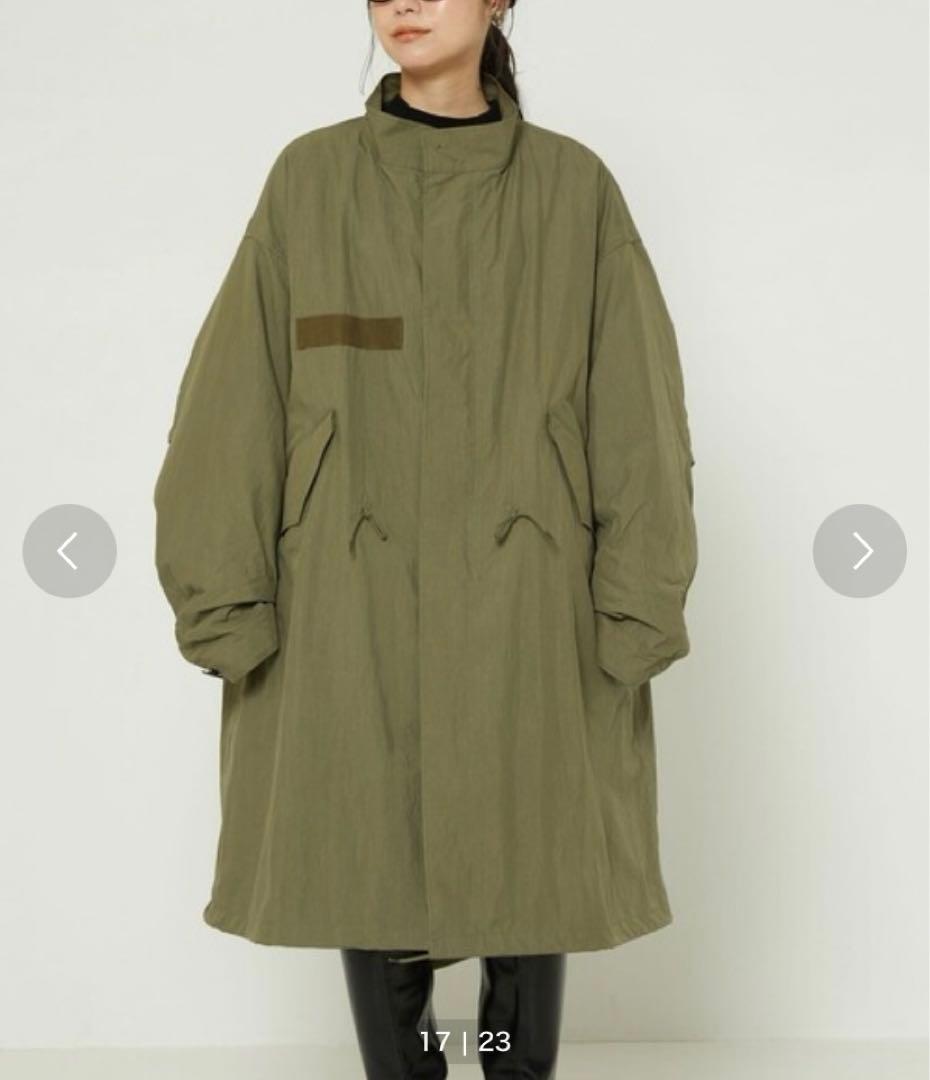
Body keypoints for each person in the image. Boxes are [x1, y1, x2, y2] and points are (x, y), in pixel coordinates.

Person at [153, 1, 698, 1077]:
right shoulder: (312, 183)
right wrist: (223, 601)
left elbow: (640, 416)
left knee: (534, 871)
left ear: (498, 1)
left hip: (533, 602)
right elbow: (232, 405)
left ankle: (508, 1063)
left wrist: (638, 606)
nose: (404, 3)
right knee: (368, 852)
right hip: (346, 601)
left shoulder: (573, 190)